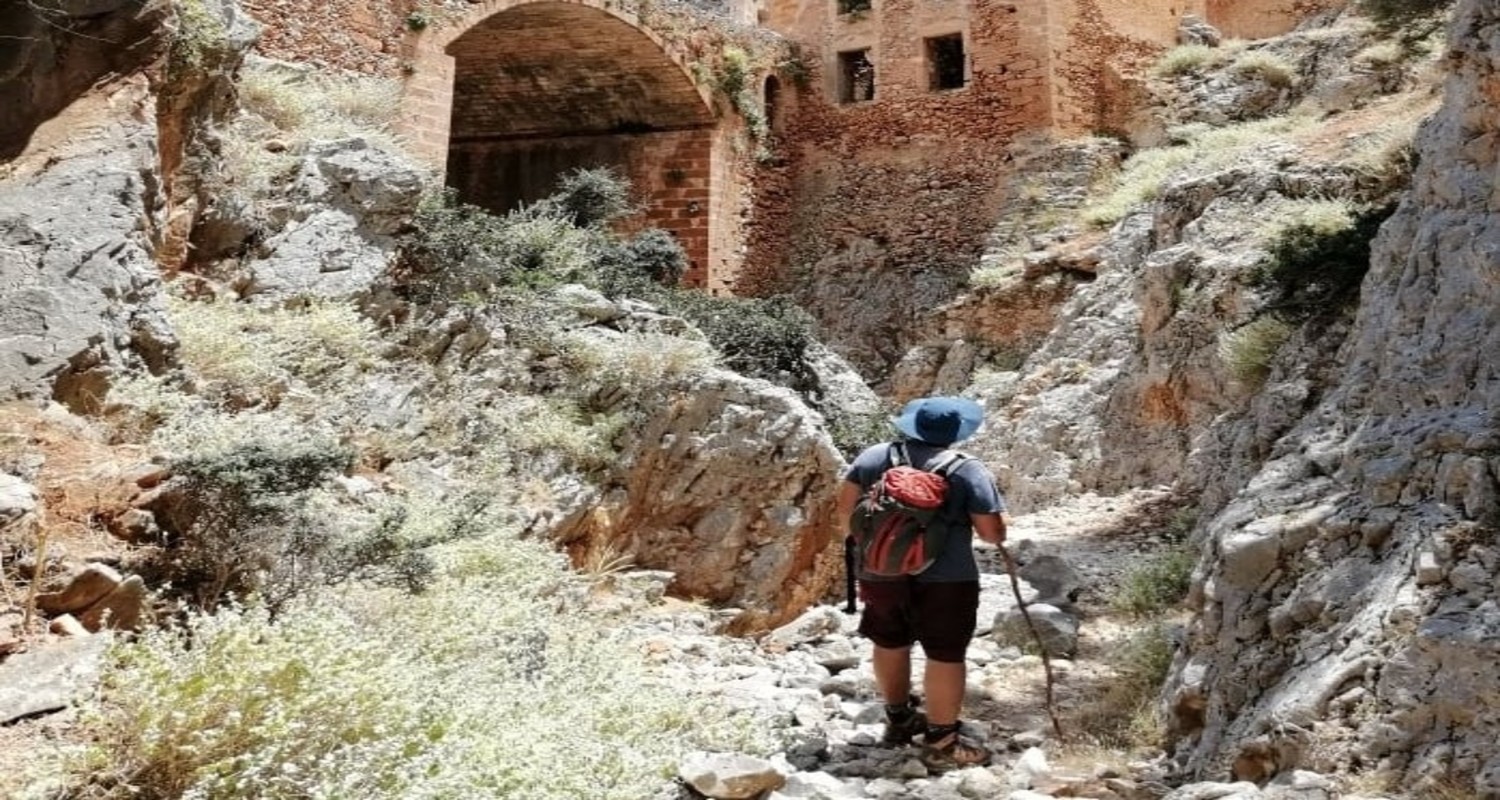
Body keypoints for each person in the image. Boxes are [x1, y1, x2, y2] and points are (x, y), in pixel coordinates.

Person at [835, 395, 1007, 769]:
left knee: (889, 640)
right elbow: (992, 533)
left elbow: (845, 514)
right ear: (954, 433)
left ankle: (898, 719)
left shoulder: (873, 457)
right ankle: (942, 738)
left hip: (879, 573)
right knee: (945, 653)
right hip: (949, 577)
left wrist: (880, 548)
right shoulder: (967, 469)